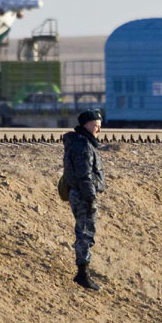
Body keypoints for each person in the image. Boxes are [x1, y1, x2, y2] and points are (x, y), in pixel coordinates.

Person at [62, 109, 106, 291]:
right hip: (83, 195)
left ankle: (83, 270)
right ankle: (83, 273)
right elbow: (84, 175)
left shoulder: (80, 143)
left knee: (85, 232)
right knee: (85, 233)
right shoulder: (83, 146)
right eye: (96, 125)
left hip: (80, 193)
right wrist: (91, 197)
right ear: (87, 125)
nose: (98, 130)